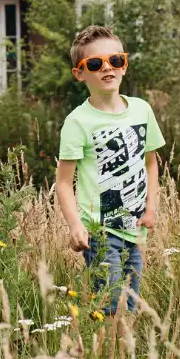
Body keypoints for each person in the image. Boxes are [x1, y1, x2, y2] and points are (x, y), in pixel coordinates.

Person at [56, 24, 165, 314]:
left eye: (115, 60)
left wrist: (151, 207)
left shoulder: (142, 110)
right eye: (95, 63)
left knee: (131, 305)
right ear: (79, 73)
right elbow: (64, 183)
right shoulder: (77, 122)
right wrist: (75, 225)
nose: (107, 67)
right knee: (112, 306)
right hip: (99, 231)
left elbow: (151, 162)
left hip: (135, 229)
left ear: (124, 66)